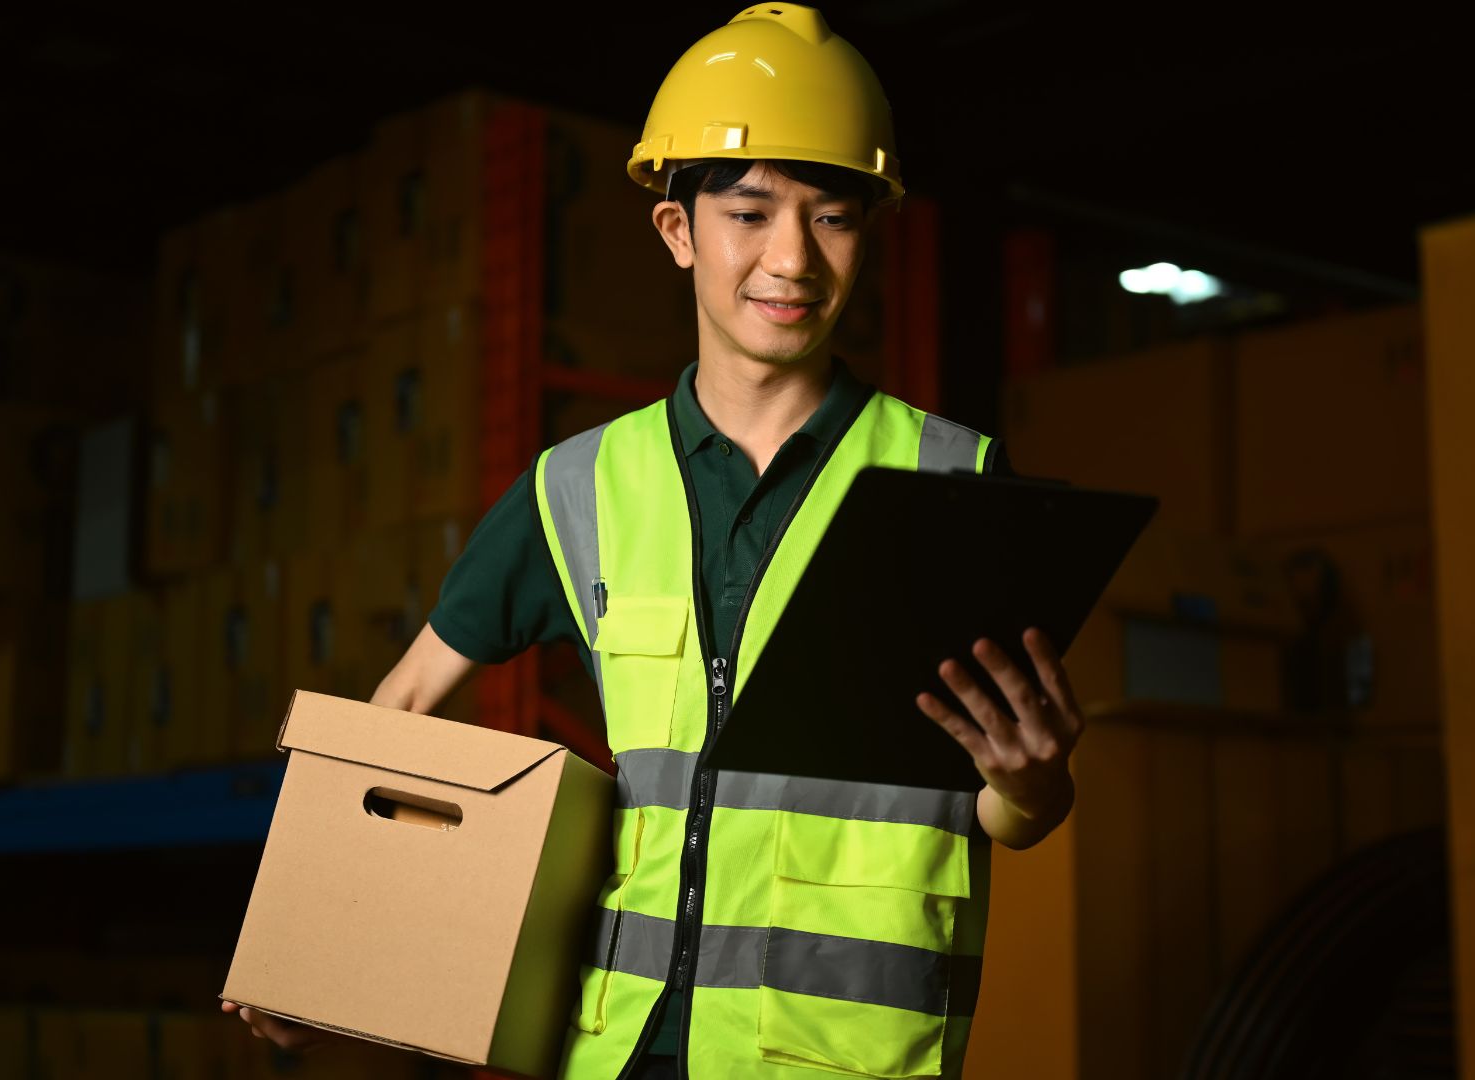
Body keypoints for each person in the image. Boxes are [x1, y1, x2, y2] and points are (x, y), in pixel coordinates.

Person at [225, 4, 1085, 1077]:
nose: (792, 260)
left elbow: (1007, 806)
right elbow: (398, 714)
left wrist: (1037, 781)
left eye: (833, 217)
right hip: (618, 1054)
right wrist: (316, 953)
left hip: (842, 1061)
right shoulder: (578, 488)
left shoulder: (956, 480)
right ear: (679, 232)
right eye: (750, 212)